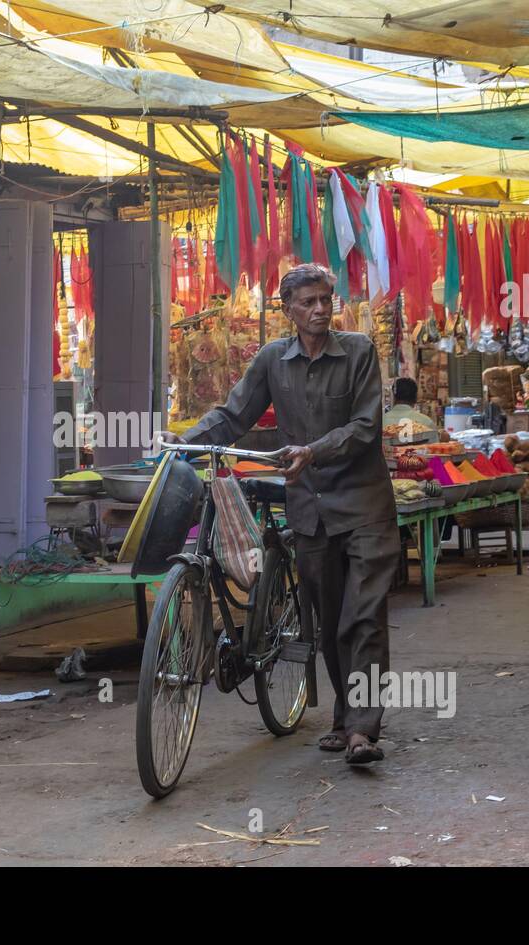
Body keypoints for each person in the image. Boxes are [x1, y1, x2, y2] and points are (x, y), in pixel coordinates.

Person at [160, 263, 399, 765]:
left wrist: (312, 450)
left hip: (364, 505)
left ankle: (364, 729)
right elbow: (233, 416)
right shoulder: (273, 360)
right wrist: (183, 443)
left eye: (325, 301)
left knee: (365, 619)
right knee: (331, 621)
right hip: (310, 511)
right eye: (308, 302)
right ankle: (345, 718)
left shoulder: (357, 351)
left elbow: (364, 427)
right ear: (287, 309)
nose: (319, 310)